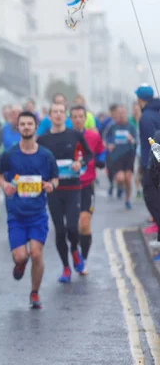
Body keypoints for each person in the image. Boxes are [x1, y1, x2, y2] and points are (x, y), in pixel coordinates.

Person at [0, 111, 59, 309]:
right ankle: (20, 263)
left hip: (38, 214)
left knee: (37, 254)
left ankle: (34, 292)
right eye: (22, 124)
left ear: (35, 126)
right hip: (16, 214)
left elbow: (55, 178)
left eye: (29, 124)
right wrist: (4, 185)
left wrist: (52, 186)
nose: (26, 127)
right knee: (21, 256)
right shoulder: (10, 154)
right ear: (18, 127)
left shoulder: (46, 155)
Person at [37, 102, 92, 283]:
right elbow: (37, 161)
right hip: (54, 190)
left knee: (72, 228)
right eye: (55, 112)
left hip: (73, 187)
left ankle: (75, 250)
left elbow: (89, 154)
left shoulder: (74, 135)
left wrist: (80, 163)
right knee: (60, 230)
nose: (58, 115)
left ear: (65, 116)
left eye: (61, 112)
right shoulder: (43, 139)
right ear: (50, 116)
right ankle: (66, 267)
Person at [70, 105, 105, 275]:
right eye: (74, 117)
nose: (77, 119)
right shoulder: (65, 137)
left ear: (85, 118)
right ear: (70, 120)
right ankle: (74, 253)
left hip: (86, 185)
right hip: (68, 187)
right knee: (72, 226)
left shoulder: (93, 136)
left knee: (84, 223)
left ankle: (82, 259)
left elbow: (100, 152)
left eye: (80, 116)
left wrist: (101, 161)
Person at [136, 84, 160, 241]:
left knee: (150, 196)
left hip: (152, 164)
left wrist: (146, 165)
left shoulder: (145, 117)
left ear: (140, 100)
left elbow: (153, 142)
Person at [104, 105, 138, 210]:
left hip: (128, 155)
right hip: (116, 156)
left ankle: (127, 200)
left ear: (126, 114)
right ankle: (119, 185)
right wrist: (109, 144)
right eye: (119, 113)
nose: (121, 115)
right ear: (116, 115)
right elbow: (106, 138)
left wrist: (131, 139)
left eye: (123, 113)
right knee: (120, 178)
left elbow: (136, 141)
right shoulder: (112, 126)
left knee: (128, 178)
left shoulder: (131, 127)